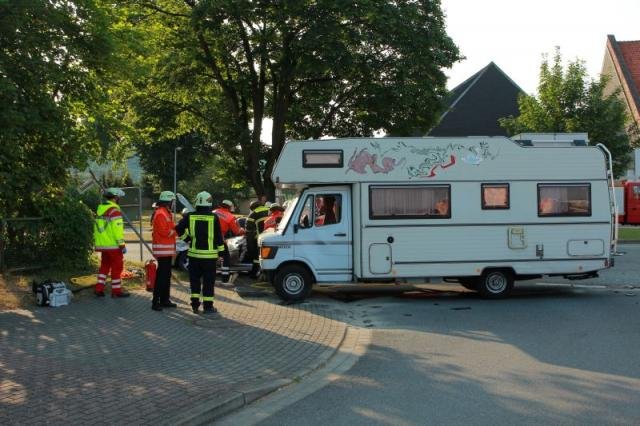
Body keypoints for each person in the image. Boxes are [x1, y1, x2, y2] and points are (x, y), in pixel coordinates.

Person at [175, 191, 225, 314]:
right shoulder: (214, 217)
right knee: (208, 282)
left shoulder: (190, 216)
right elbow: (219, 237)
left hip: (194, 256)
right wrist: (222, 254)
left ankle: (195, 305)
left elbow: (178, 228)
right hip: (209, 257)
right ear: (209, 202)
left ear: (197, 201)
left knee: (194, 281)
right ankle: (208, 307)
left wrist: (187, 238)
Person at [94, 187, 130, 298]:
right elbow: (117, 231)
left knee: (104, 266)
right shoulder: (114, 211)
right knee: (117, 267)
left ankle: (99, 289)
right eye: (118, 197)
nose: (119, 199)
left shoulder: (100, 209)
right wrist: (122, 245)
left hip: (103, 245)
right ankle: (116, 291)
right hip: (114, 245)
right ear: (115, 198)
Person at [151, 191, 178, 311]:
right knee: (161, 276)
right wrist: (177, 230)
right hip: (162, 250)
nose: (173, 204)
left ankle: (165, 300)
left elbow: (169, 229)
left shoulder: (166, 213)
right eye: (173, 201)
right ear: (168, 201)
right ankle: (155, 302)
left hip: (166, 250)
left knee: (166, 276)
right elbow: (166, 232)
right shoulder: (161, 214)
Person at [213, 199, 245, 283]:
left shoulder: (213, 212)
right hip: (220, 239)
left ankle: (208, 276)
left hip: (208, 238)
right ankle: (225, 279)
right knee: (225, 258)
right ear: (230, 207)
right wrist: (243, 230)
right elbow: (236, 231)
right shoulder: (230, 217)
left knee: (210, 257)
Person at [245, 198, 269, 278]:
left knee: (256, 257)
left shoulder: (253, 214)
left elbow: (248, 230)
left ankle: (254, 274)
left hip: (261, 239)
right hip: (273, 238)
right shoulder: (269, 210)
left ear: (252, 208)